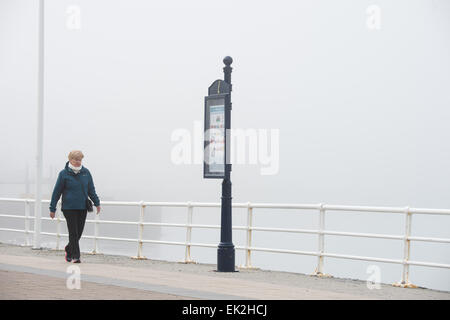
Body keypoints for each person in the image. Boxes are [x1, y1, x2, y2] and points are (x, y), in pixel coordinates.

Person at [49, 150, 101, 263]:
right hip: (69, 208)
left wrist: (97, 203)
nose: (78, 162)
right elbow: (56, 192)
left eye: (80, 160)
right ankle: (76, 256)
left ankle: (69, 248)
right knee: (73, 232)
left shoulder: (86, 172)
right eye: (75, 159)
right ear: (70, 160)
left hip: (82, 207)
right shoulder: (63, 174)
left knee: (79, 232)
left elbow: (91, 189)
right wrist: (52, 208)